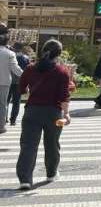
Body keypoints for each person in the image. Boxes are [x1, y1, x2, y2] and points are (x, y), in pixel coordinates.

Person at [16, 40, 71, 189]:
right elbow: (64, 96)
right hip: (54, 114)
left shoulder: (30, 68)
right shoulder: (62, 71)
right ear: (58, 54)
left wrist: (30, 93)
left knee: (28, 145)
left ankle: (25, 179)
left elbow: (21, 88)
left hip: (31, 112)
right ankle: (51, 174)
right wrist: (66, 114)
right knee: (52, 144)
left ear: (42, 51)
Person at [0, 33, 21, 135]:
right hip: (4, 82)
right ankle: (1, 126)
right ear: (6, 43)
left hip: (5, 82)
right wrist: (26, 75)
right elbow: (15, 69)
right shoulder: (10, 53)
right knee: (2, 104)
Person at [8, 41, 29, 127]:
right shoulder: (25, 58)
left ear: (14, 48)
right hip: (19, 82)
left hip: (8, 81)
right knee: (16, 102)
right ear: (21, 48)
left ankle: (3, 118)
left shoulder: (9, 56)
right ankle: (13, 120)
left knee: (5, 101)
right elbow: (27, 71)